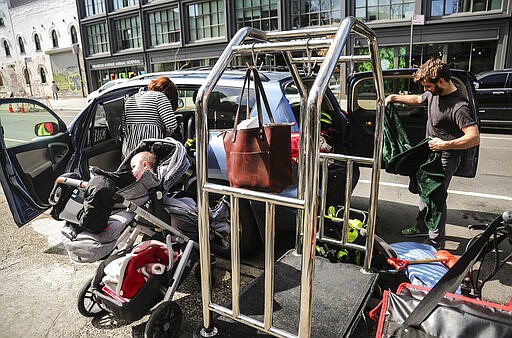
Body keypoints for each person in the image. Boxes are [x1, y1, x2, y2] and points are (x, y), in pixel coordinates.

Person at [385, 58, 480, 248]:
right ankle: (421, 227)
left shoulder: (459, 106)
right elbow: (418, 99)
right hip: (430, 154)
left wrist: (444, 145)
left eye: (428, 86)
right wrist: (394, 97)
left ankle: (436, 243)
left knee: (436, 198)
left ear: (442, 81)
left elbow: (473, 137)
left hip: (445, 158)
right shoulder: (433, 93)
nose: (426, 89)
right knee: (424, 192)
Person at [122, 76, 178, 158]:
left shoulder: (131, 98)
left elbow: (124, 127)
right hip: (149, 152)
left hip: (129, 152)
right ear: (169, 93)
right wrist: (165, 136)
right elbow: (172, 125)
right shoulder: (160, 97)